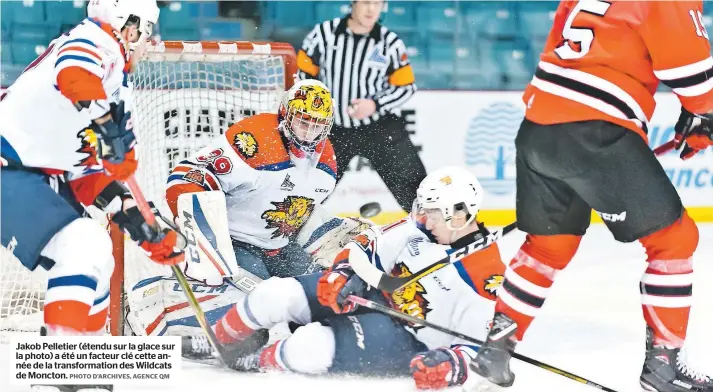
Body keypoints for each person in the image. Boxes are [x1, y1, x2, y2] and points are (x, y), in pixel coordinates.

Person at [462, 2, 713, 391]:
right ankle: (663, 367)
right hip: (596, 130)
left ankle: (497, 347)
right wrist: (704, 111)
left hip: (539, 125)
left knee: (547, 248)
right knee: (675, 240)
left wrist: (696, 114)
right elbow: (692, 71)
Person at [182, 166, 506, 391]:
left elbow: (476, 349)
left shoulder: (485, 277)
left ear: (460, 214)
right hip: (373, 295)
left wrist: (450, 364)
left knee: (307, 348)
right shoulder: (420, 227)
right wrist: (344, 272)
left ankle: (257, 359)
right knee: (273, 295)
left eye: (431, 212)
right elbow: (368, 245)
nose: (421, 218)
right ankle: (219, 343)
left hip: (409, 338)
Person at [0, 0, 182, 390]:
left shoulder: (117, 90)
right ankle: (58, 370)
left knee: (98, 256)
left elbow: (87, 176)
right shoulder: (95, 39)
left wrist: (140, 223)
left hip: (32, 174)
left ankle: (83, 364)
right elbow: (74, 70)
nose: (152, 42)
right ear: (130, 27)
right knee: (83, 245)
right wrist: (105, 124)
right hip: (9, 164)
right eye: (149, 32)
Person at [164, 79, 338, 282]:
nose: (308, 133)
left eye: (317, 125)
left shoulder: (326, 163)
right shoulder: (256, 139)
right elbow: (189, 174)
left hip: (278, 247)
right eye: (303, 121)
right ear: (285, 113)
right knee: (257, 299)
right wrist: (194, 227)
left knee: (320, 289)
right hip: (233, 242)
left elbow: (301, 216)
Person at [297, 0, 427, 212]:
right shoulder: (323, 34)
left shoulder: (389, 42)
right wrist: (319, 103)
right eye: (366, 2)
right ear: (353, 3)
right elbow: (302, 76)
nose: (371, 9)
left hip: (379, 128)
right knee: (308, 192)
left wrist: (375, 105)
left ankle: (438, 234)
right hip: (332, 130)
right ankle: (284, 238)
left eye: (378, 4)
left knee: (417, 190)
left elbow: (406, 87)